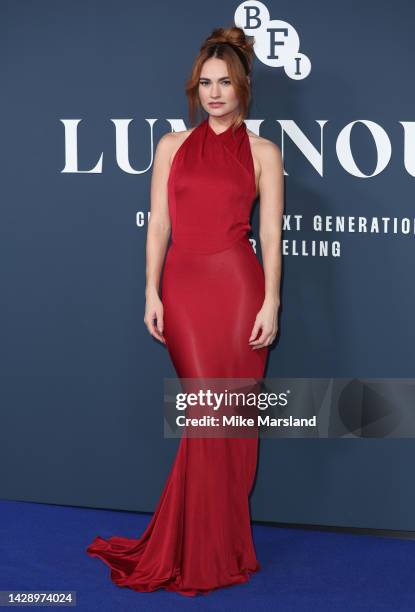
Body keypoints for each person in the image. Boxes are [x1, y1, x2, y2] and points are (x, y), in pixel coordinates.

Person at [86, 25, 284, 597]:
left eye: (225, 82)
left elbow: (270, 236)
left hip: (240, 287)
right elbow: (159, 225)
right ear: (194, 89)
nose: (215, 93)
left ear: (243, 88)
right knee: (206, 413)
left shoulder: (264, 152)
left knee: (232, 422)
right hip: (187, 289)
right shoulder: (171, 145)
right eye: (205, 83)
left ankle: (224, 545)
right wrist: (151, 291)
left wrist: (271, 300)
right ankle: (197, 546)